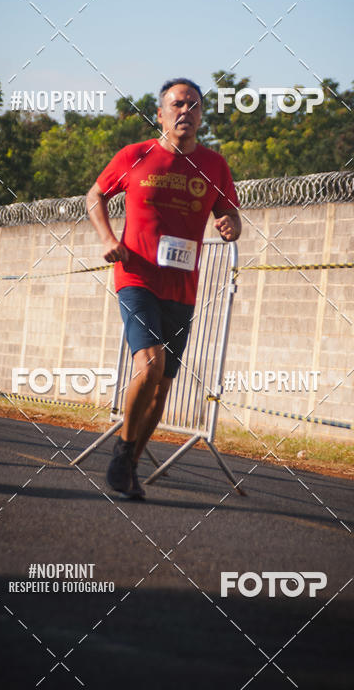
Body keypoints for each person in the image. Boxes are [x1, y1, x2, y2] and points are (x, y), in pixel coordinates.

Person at [87, 78, 241, 499]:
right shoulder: (136, 156)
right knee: (150, 365)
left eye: (193, 106)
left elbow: (230, 214)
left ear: (201, 116)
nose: (184, 112)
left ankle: (131, 464)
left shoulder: (214, 166)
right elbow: (94, 195)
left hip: (182, 288)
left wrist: (230, 225)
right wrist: (107, 239)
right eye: (176, 105)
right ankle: (122, 450)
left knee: (164, 384)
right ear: (160, 114)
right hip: (136, 278)